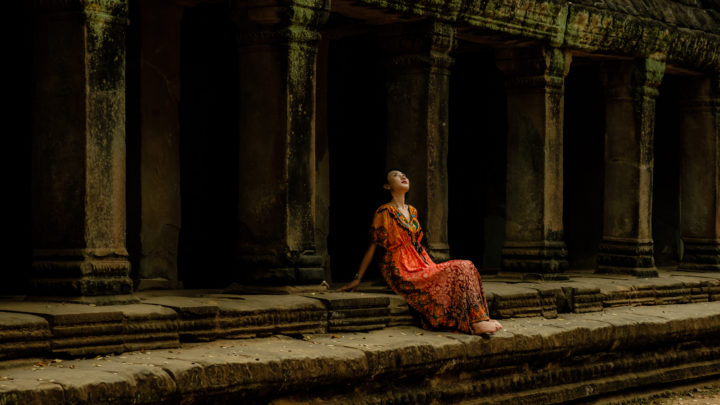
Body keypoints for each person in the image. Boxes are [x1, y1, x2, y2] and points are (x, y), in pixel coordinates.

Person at [339, 169, 502, 335]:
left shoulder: (412, 211)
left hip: (420, 261)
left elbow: (416, 243)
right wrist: (357, 279)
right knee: (460, 267)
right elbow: (373, 246)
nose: (403, 177)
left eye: (404, 175)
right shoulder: (384, 212)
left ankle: (478, 318)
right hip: (401, 268)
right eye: (396, 175)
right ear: (387, 186)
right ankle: (472, 323)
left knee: (467, 266)